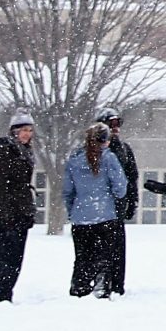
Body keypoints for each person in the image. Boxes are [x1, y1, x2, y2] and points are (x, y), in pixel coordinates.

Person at [62, 123, 130, 299]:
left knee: (82, 257)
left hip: (80, 217)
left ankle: (79, 286)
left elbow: (68, 191)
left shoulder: (74, 159)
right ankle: (100, 288)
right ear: (106, 140)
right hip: (105, 215)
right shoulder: (109, 158)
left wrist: (73, 210)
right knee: (104, 258)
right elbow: (121, 187)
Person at [0, 114, 37, 301]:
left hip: (19, 211)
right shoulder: (5, 150)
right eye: (24, 130)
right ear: (15, 131)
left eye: (30, 131)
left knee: (15, 258)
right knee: (4, 257)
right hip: (6, 212)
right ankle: (0, 293)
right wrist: (11, 210)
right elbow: (3, 184)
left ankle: (5, 292)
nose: (27, 134)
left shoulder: (24, 151)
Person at [95, 108, 138, 295]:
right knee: (97, 249)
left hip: (117, 207)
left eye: (117, 124)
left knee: (117, 249)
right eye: (111, 124)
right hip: (97, 209)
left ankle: (117, 284)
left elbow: (131, 177)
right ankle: (99, 283)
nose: (115, 129)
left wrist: (132, 201)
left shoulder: (124, 149)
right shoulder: (92, 150)